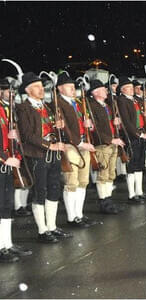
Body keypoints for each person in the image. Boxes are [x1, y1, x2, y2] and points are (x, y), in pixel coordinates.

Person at [17, 72, 72, 243]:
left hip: (53, 154)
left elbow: (52, 128)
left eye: (41, 87)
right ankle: (42, 231)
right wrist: (50, 145)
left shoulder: (47, 107)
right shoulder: (22, 109)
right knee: (40, 191)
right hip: (38, 155)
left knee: (54, 189)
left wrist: (59, 127)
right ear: (28, 90)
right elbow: (27, 135)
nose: (41, 90)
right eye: (37, 87)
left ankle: (52, 227)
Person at [55, 73, 96, 227]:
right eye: (69, 86)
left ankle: (79, 213)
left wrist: (89, 126)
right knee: (71, 182)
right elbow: (64, 128)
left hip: (83, 144)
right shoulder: (58, 103)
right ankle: (72, 217)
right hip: (70, 146)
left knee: (83, 181)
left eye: (73, 86)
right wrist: (79, 143)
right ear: (60, 88)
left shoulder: (77, 103)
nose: (73, 88)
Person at [0, 84, 32, 262]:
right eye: (7, 90)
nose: (11, 94)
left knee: (6, 206)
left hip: (7, 164)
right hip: (3, 162)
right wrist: (4, 158)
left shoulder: (5, 109)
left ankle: (7, 244)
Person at [87, 79, 125, 214]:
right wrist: (110, 140)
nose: (106, 91)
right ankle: (104, 201)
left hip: (112, 142)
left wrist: (116, 124)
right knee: (103, 174)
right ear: (95, 92)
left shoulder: (107, 106)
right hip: (102, 144)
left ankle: (108, 200)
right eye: (103, 89)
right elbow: (95, 129)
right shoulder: (92, 106)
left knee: (110, 174)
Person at [116, 76, 146, 203]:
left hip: (140, 134)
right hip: (132, 137)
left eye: (132, 88)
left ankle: (139, 192)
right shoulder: (122, 101)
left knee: (139, 165)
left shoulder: (135, 100)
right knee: (131, 166)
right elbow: (127, 122)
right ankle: (132, 195)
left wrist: (145, 116)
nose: (132, 90)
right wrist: (140, 135)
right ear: (122, 90)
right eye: (128, 88)